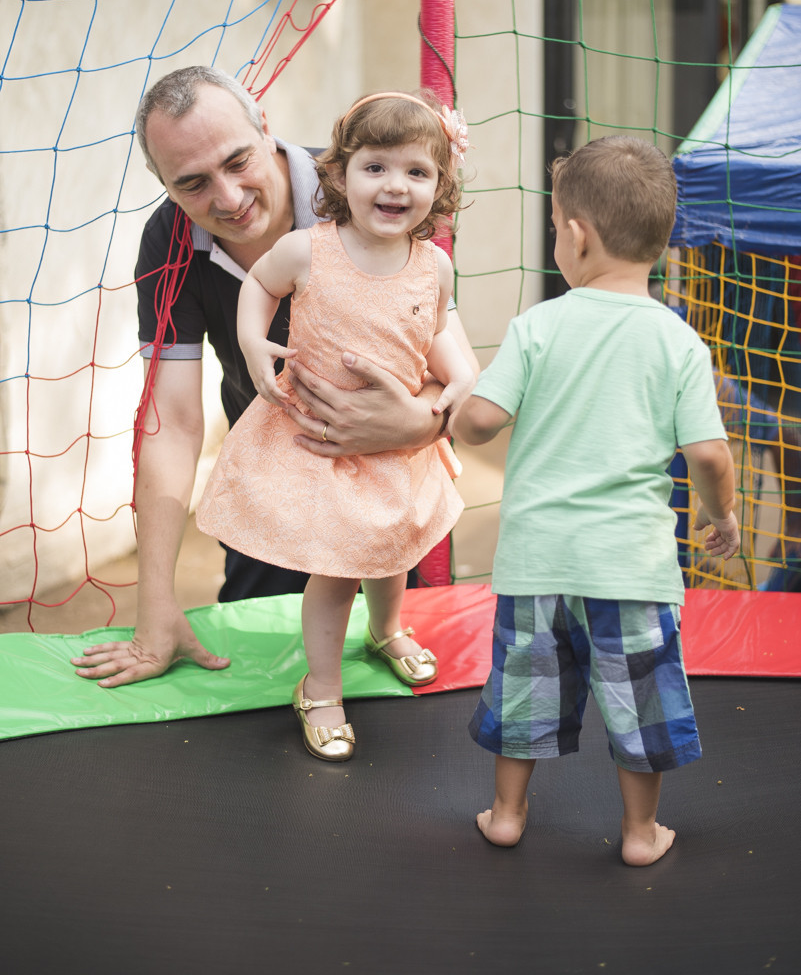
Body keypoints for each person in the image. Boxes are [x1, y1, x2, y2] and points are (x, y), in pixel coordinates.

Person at [71, 68, 477, 689]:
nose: (229, 198)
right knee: (250, 680)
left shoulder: (375, 185)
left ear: (265, 125)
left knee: (396, 651)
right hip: (277, 476)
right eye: (193, 182)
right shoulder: (169, 241)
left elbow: (441, 350)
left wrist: (417, 423)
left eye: (238, 161)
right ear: (164, 186)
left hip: (390, 476)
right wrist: (155, 607)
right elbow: (174, 423)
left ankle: (383, 633)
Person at [451, 135, 740, 864]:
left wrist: (457, 410)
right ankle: (640, 835)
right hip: (628, 568)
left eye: (554, 227)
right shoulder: (677, 341)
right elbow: (707, 452)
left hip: (534, 563)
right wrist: (721, 514)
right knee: (637, 701)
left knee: (523, 693)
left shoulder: (537, 325)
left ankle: (507, 813)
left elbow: (480, 423)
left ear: (575, 235)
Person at [195, 90, 476, 761]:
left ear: (438, 187)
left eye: (416, 172)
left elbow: (432, 330)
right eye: (375, 167)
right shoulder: (308, 251)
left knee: (395, 549)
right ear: (340, 173)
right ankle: (319, 687)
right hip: (320, 443)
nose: (394, 186)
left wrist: (462, 375)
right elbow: (257, 285)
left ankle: (385, 632)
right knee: (338, 571)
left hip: (392, 444)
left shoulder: (431, 264)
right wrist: (254, 343)